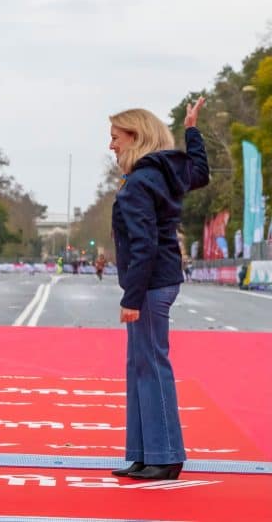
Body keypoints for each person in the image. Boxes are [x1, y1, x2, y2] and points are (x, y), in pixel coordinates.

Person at [108, 97, 208, 481]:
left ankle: (164, 456)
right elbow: (200, 172)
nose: (111, 145)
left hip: (150, 284)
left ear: (136, 137)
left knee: (150, 366)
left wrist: (131, 297)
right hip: (160, 280)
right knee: (140, 366)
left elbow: (143, 244)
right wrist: (192, 130)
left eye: (116, 137)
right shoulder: (166, 172)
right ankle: (143, 453)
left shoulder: (139, 183)